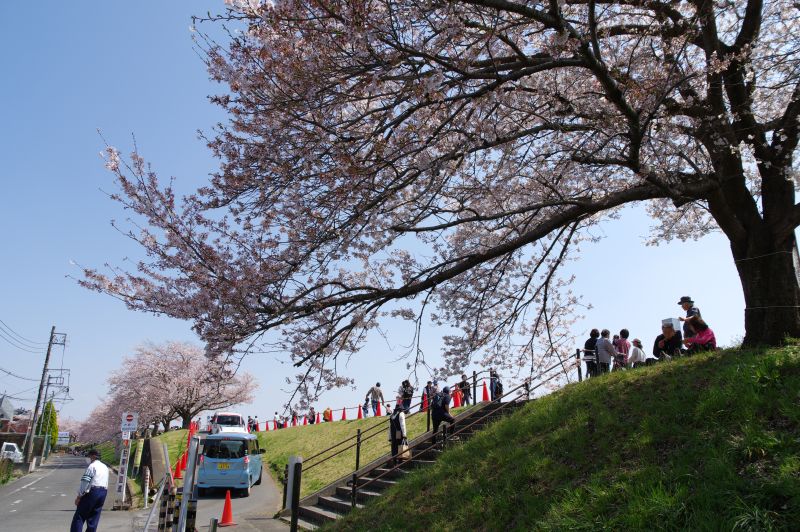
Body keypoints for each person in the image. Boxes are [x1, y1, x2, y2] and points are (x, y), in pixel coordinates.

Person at [71, 448, 109, 532]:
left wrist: (79, 496)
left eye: (90, 456)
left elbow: (85, 482)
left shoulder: (92, 466)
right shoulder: (105, 467)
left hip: (93, 491)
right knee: (94, 517)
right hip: (103, 492)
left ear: (93, 456)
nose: (89, 458)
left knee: (79, 516)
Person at [388, 395, 408, 465]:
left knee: (394, 446)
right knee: (400, 445)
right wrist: (405, 434)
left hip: (393, 433)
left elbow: (389, 427)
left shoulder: (392, 415)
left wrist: (389, 436)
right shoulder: (401, 413)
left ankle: (394, 461)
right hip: (399, 432)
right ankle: (399, 461)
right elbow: (403, 425)